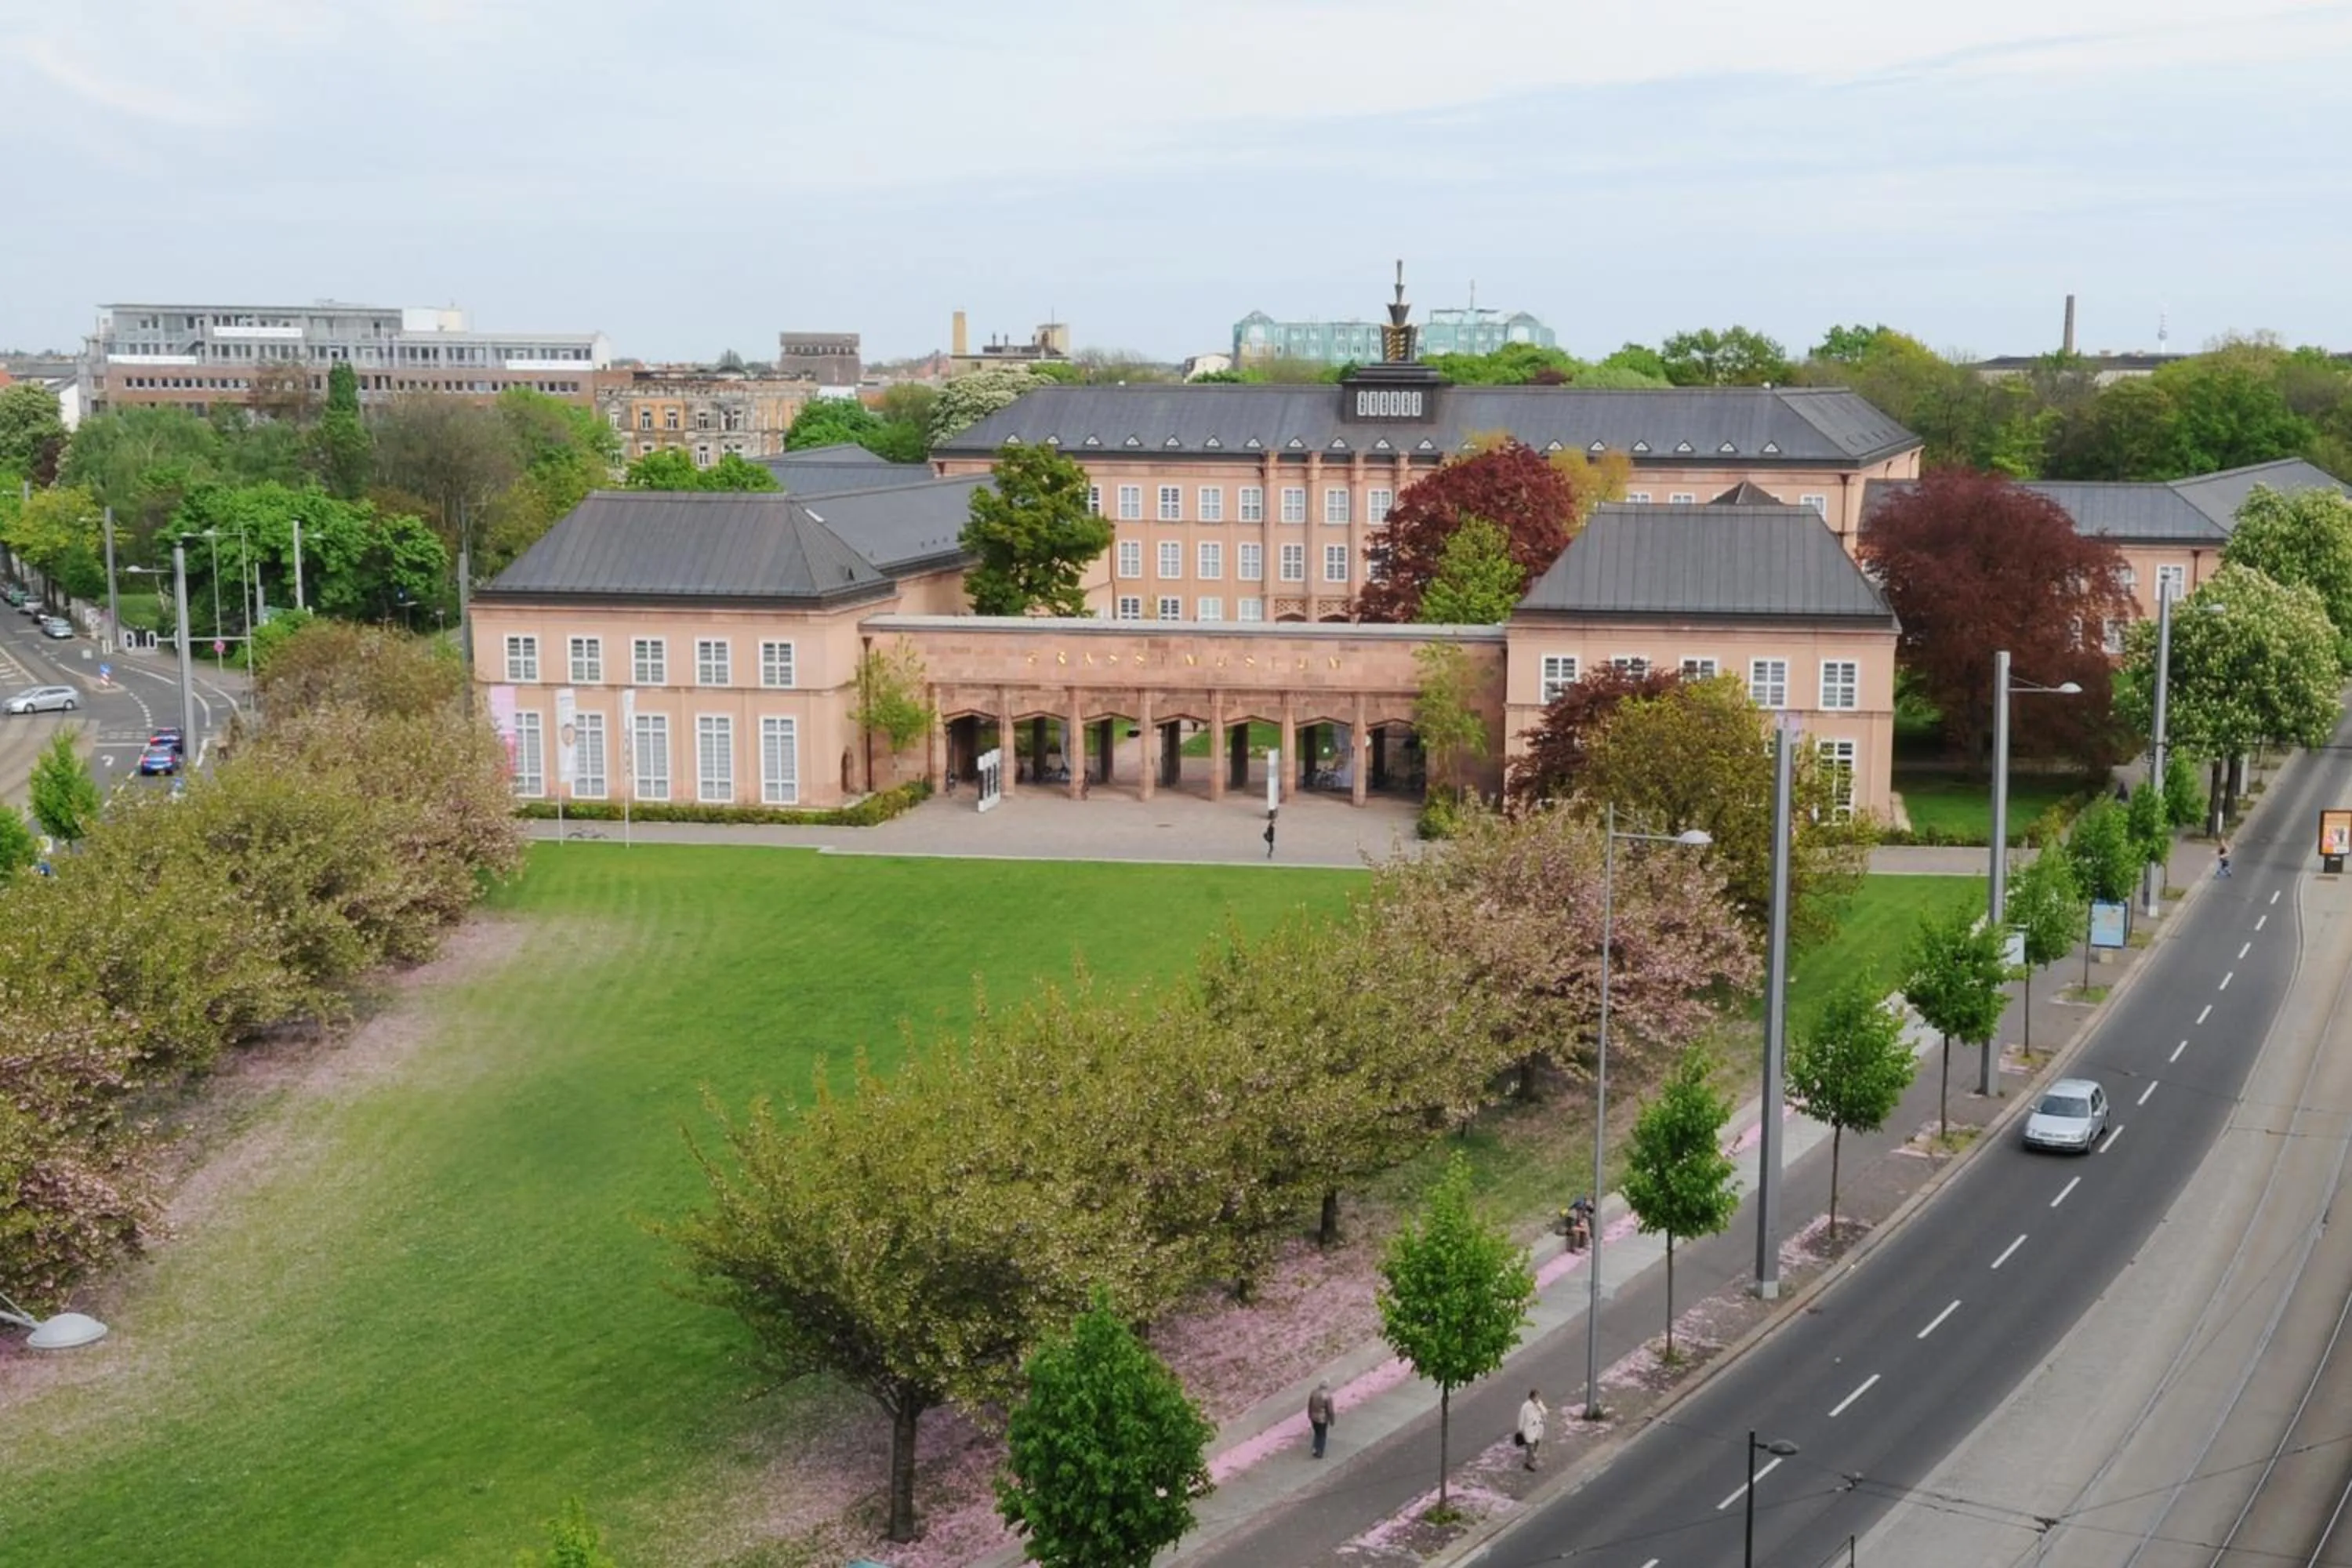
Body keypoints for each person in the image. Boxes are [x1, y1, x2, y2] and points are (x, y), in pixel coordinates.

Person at [1517, 1388, 1548, 1471]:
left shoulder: (1539, 1403)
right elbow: (1521, 1417)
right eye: (1536, 1397)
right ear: (1532, 1397)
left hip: (1538, 1427)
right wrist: (1520, 1429)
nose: (1537, 1399)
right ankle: (1528, 1463)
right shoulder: (1525, 1406)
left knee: (1537, 1441)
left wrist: (1540, 1407)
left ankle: (1534, 1453)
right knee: (1529, 1446)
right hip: (1529, 1428)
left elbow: (1545, 1412)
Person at [1306, 1380, 1334, 1458]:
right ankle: (1320, 1451)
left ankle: (1315, 1449)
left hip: (1313, 1417)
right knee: (1322, 1435)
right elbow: (1330, 1410)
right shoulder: (1327, 1396)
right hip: (1322, 1419)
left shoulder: (1313, 1393)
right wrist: (1332, 1420)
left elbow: (1310, 1404)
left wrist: (1309, 1414)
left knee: (1317, 1433)